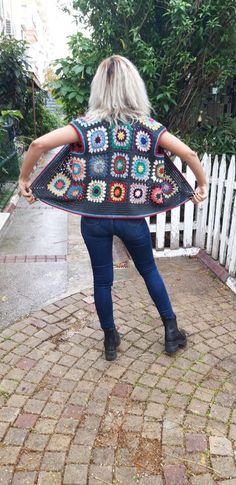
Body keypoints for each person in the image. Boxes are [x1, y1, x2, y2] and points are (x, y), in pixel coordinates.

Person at [18, 55, 208, 361]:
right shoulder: (148, 127)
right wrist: (200, 185)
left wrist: (25, 178)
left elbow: (38, 145)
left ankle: (110, 341)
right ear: (134, 87)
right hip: (132, 220)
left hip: (93, 219)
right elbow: (189, 153)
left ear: (98, 89)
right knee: (148, 271)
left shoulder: (85, 126)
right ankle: (171, 332)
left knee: (102, 279)